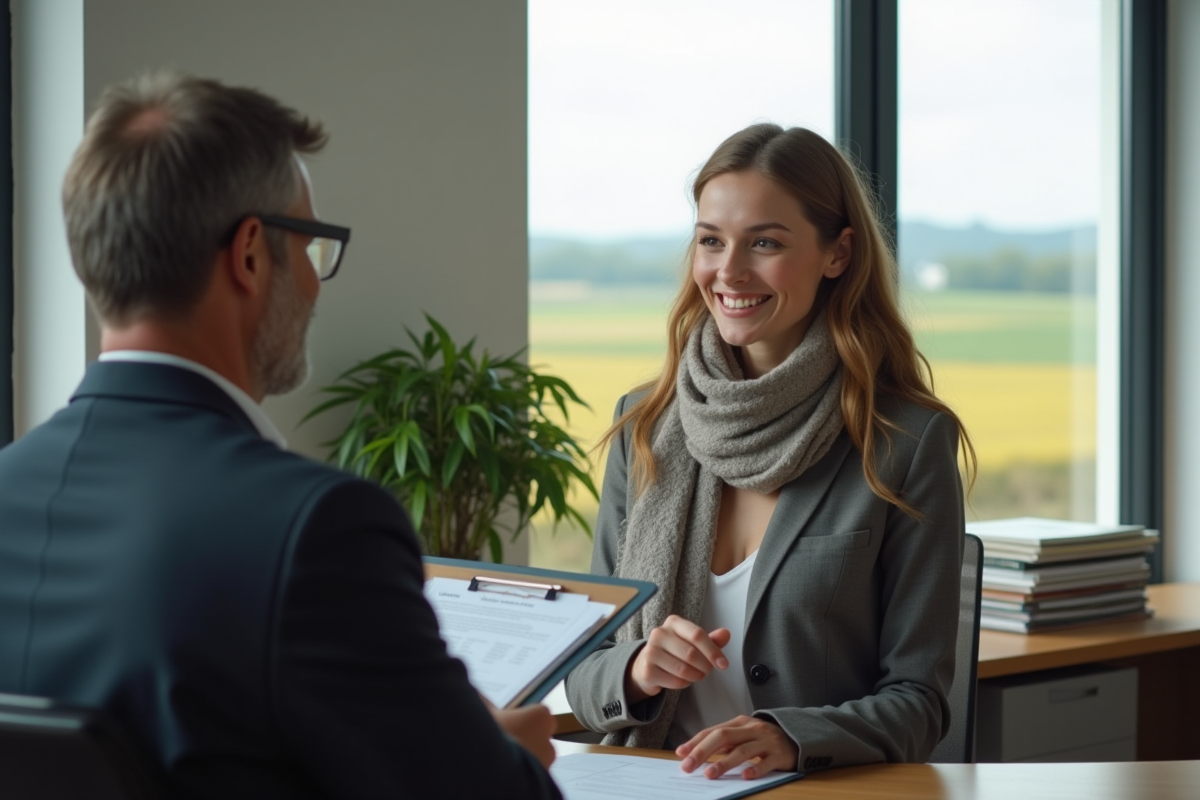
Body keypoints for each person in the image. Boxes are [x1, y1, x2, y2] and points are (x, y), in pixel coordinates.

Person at [0, 71, 561, 799]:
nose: (317, 281)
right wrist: (501, 754)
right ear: (252, 255)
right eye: (311, 244)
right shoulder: (314, 531)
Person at [565, 123, 974, 779]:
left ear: (837, 253)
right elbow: (585, 672)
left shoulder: (906, 439)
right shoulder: (644, 424)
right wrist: (638, 669)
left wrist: (792, 737)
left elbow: (918, 704)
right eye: (710, 241)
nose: (728, 271)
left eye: (765, 243)